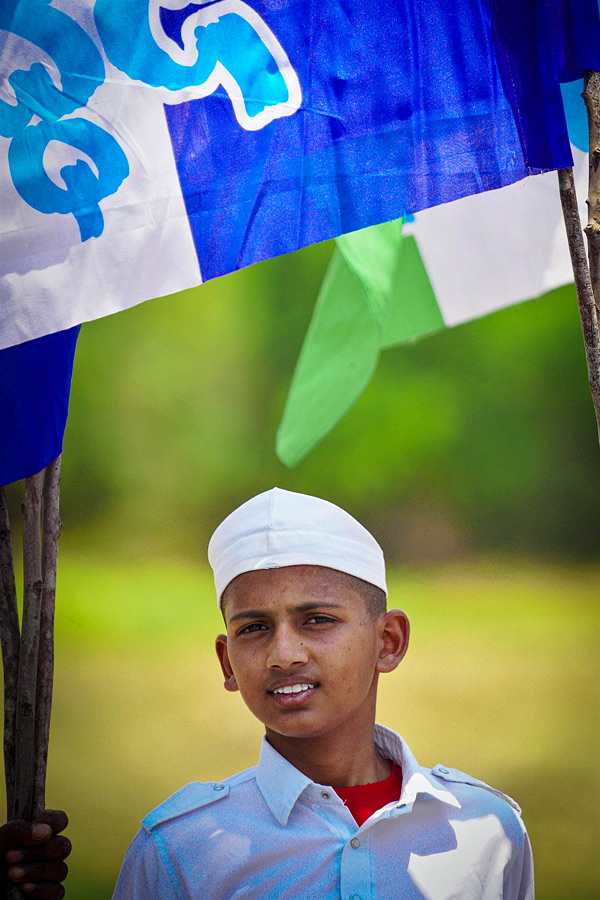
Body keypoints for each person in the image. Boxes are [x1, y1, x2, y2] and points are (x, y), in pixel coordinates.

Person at [3, 487, 534, 899]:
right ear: (226, 661)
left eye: (317, 619)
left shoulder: (485, 830)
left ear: (388, 642)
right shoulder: (179, 849)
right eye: (254, 628)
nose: (284, 654)